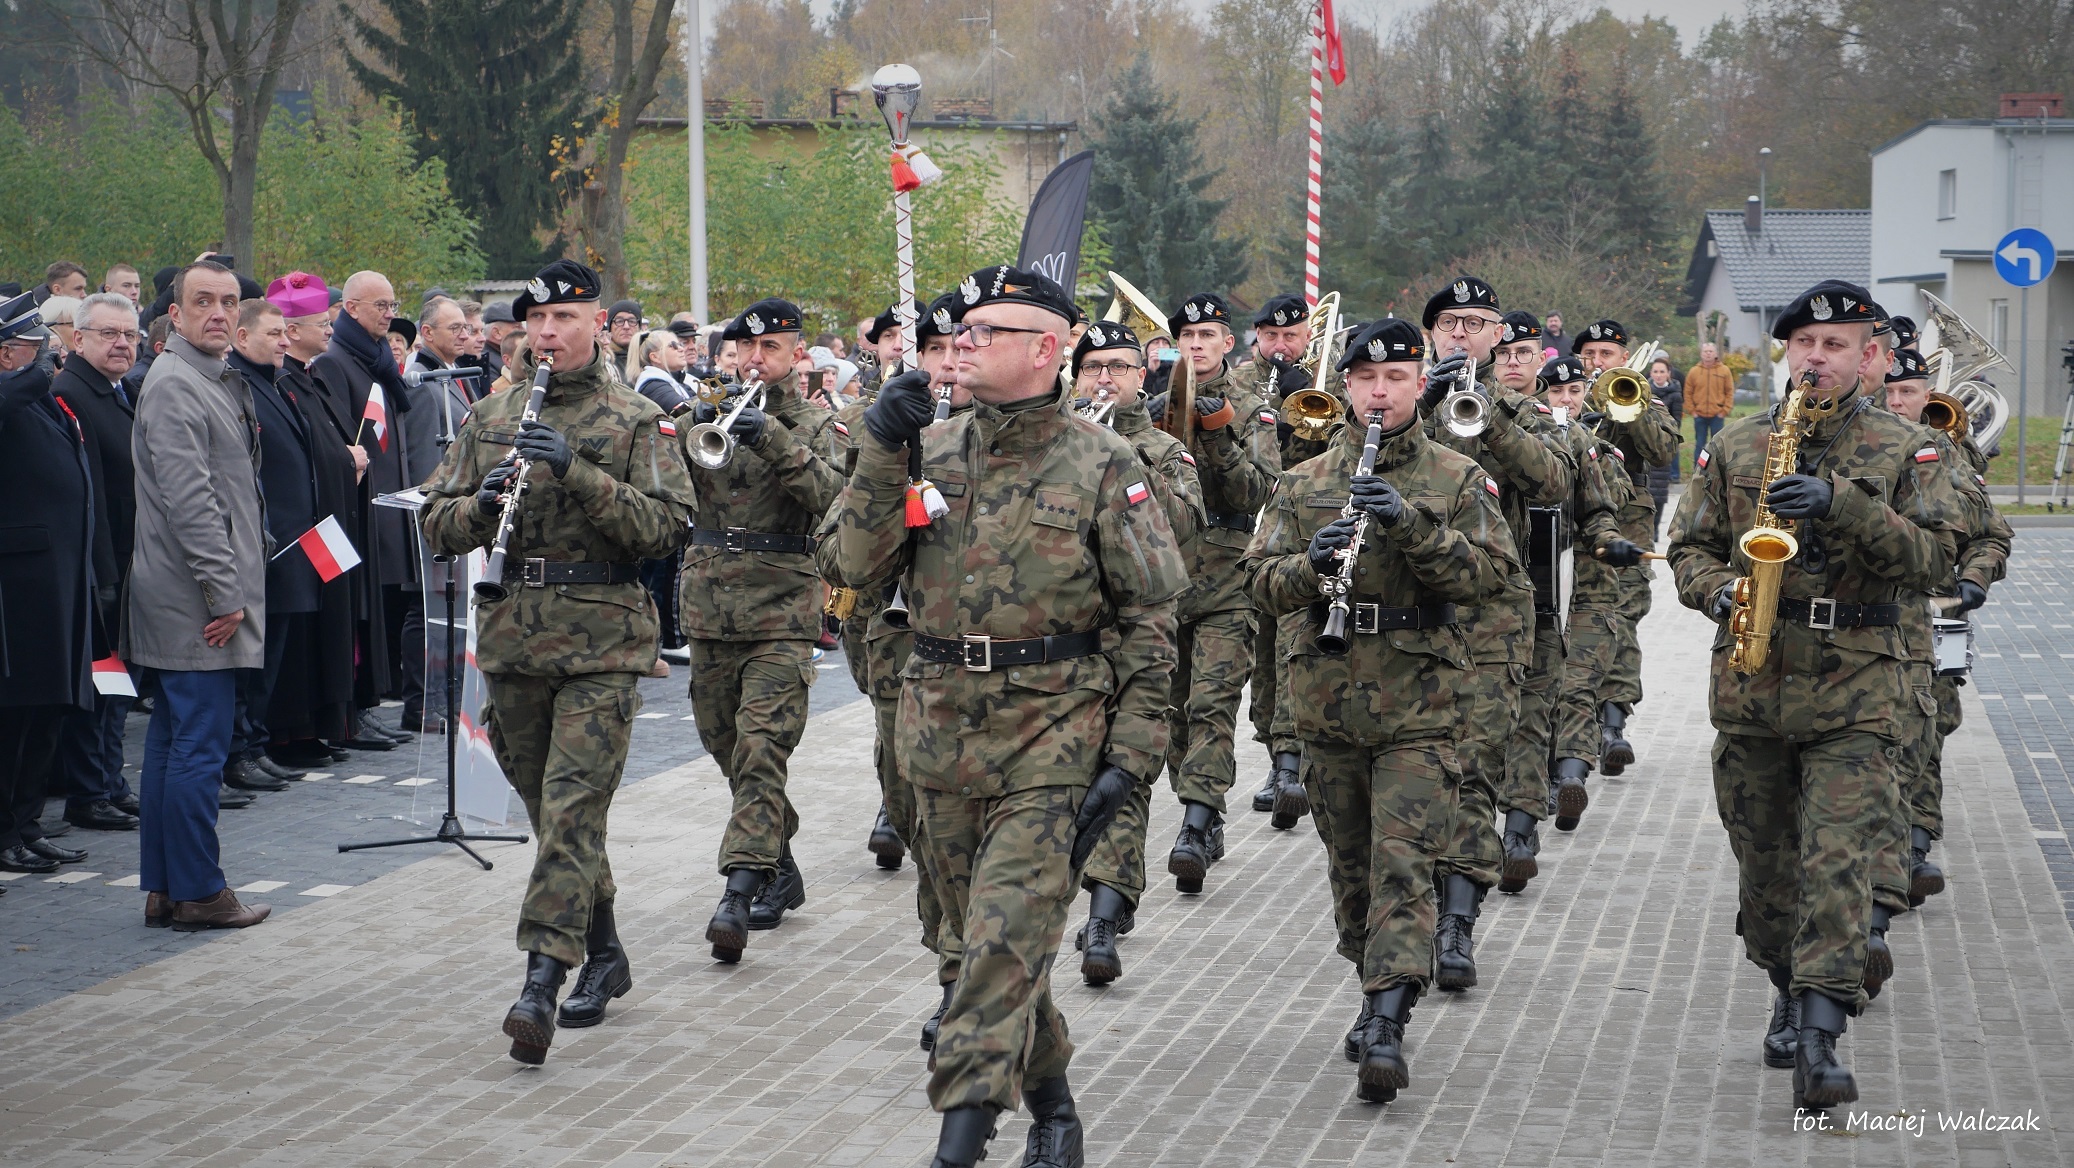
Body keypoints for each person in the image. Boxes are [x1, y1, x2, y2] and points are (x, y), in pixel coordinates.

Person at [834, 264, 1186, 1168]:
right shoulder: (927, 449)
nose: (964, 345)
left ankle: (959, 1142)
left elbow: (1150, 619)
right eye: (961, 332)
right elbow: (851, 567)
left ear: (1045, 349)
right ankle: (1054, 1107)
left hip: (1052, 738)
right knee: (974, 950)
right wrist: (881, 449)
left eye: (986, 332)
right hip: (938, 737)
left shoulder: (1104, 462)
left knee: (998, 944)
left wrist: (1133, 758)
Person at [1667, 279, 1965, 1112]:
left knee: (1837, 864)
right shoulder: (1739, 446)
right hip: (1753, 688)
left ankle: (1821, 1034)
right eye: (1805, 344)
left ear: (1870, 357)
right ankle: (1786, 985)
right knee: (1766, 871)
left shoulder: (1909, 449)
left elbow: (1940, 559)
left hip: (1860, 690)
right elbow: (1688, 548)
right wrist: (1722, 591)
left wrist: (1843, 505)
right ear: (1787, 353)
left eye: (1836, 346)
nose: (1818, 358)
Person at [420, 259, 696, 1063]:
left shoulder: (638, 418)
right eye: (536, 321)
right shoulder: (492, 413)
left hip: (602, 641)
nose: (547, 333)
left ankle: (541, 979)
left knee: (573, 810)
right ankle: (604, 952)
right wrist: (479, 505)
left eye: (565, 319)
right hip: (514, 638)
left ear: (598, 324)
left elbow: (666, 531)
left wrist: (576, 470)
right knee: (554, 815)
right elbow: (435, 519)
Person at [1244, 315, 1524, 1105]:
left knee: (1404, 862)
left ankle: (1387, 1019)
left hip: (1422, 707)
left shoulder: (1457, 478)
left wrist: (1409, 526)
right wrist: (1310, 565)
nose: (1379, 392)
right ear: (1345, 387)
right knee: (1353, 870)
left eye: (1395, 378)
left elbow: (1490, 578)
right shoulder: (1302, 482)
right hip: (1327, 704)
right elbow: (1257, 583)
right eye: (1366, 379)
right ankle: (1374, 982)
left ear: (1418, 386)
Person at [814, 292, 964, 1043]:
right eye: (933, 353)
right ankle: (954, 963)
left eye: (960, 351)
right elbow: (836, 551)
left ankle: (967, 986)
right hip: (904, 656)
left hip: (1012, 680)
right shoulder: (886, 429)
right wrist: (885, 451)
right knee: (923, 825)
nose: (948, 367)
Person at [1417, 281, 1573, 981]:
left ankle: (1457, 920)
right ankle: (1411, 908)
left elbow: (1555, 483)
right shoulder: (1395, 397)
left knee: (1475, 766)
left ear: (1496, 337)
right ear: (1431, 333)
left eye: (1476, 323)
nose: (1461, 334)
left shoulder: (1525, 410)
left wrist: (1491, 415)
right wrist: (1423, 406)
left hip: (1492, 613)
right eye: (1450, 322)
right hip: (1411, 611)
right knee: (1415, 771)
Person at [681, 297, 844, 959]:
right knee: (726, 746)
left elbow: (837, 501)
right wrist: (688, 431)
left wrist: (773, 440)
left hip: (782, 610)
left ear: (797, 355)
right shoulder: (706, 413)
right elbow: (664, 494)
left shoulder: (820, 424)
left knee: (761, 749)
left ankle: (739, 890)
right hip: (710, 608)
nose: (755, 359)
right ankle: (779, 861)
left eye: (770, 348)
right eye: (745, 348)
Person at [125, 260, 273, 931]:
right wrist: (225, 594)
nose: (219, 312)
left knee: (173, 740)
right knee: (199, 747)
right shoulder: (177, 383)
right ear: (175, 315)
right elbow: (192, 504)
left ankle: (167, 887)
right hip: (196, 598)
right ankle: (199, 891)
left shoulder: (204, 376)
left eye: (229, 301)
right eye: (203, 301)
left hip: (191, 592)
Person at [1067, 318, 1204, 987]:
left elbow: (1184, 528)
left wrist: (1126, 458)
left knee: (1124, 773)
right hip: (1062, 638)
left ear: (1141, 375)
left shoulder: (1166, 450)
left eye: (1118, 367)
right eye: (1093, 368)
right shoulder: (1051, 443)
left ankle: (1104, 913)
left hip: (1134, 634)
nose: (1105, 379)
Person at [1153, 291, 1280, 896]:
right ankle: (1201, 808)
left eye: (1208, 335)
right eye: (1187, 336)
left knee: (1212, 702)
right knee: (1174, 710)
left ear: (1229, 343)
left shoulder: (1252, 408)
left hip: (1228, 578)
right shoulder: (1153, 404)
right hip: (1164, 578)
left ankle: (1196, 820)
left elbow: (1258, 493)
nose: (1197, 345)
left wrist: (1219, 435)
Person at [1877, 347, 2009, 916]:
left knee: (1929, 730)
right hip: (1874, 625)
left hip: (1939, 617)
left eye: (1907, 392)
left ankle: (1914, 847)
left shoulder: (1947, 456)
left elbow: (1990, 534)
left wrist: (1975, 578)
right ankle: (1897, 855)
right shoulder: (1857, 449)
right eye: (1888, 392)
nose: (1896, 402)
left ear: (1926, 396)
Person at [0, 292, 100, 877]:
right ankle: (5, 830)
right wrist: (36, 374)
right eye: (36, 348)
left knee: (47, 711)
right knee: (16, 715)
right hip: (21, 586)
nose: (49, 358)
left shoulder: (39, 398)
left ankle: (27, 822)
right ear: (7, 353)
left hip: (60, 578)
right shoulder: (12, 395)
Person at [1570, 319, 1681, 792]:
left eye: (1607, 354)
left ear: (1624, 358)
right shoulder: (1561, 395)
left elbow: (1662, 454)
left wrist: (1628, 407)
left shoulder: (1643, 399)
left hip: (1627, 521)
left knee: (1622, 617)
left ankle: (1613, 723)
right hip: (1574, 524)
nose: (1597, 362)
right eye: (1590, 354)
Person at [50, 293, 147, 830]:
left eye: (129, 335)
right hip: (103, 569)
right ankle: (89, 791)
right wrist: (103, 576)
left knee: (118, 690)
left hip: (131, 563)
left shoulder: (116, 391)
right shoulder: (71, 394)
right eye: (109, 333)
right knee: (100, 687)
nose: (121, 344)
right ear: (78, 338)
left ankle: (111, 782)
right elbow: (89, 499)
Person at [310, 271, 414, 753]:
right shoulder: (335, 363)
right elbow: (340, 436)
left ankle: (366, 706)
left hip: (381, 502)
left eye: (393, 305)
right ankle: (352, 712)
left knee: (374, 611)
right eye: (381, 306)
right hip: (354, 507)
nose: (390, 314)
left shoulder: (374, 360)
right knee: (357, 614)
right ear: (350, 308)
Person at [224, 299, 323, 792]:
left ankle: (255, 744)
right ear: (241, 338)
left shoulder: (274, 382)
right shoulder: (236, 384)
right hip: (262, 546)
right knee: (249, 664)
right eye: (273, 333)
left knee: (270, 659)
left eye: (286, 332)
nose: (285, 340)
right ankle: (238, 751)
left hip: (291, 544)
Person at [1236, 292, 1325, 821]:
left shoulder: (1324, 383)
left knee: (1294, 649)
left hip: (1306, 535)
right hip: (1254, 536)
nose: (1279, 346)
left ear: (1307, 337)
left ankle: (1291, 765)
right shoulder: (1241, 383)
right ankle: (1276, 754)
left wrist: (1304, 403)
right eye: (1270, 336)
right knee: (1263, 658)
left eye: (1290, 336)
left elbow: (1339, 446)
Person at [266, 273, 360, 762]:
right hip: (301, 529)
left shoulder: (310, 375)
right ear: (291, 330)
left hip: (328, 522)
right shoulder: (281, 381)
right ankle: (291, 733)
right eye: (320, 323)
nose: (329, 329)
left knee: (325, 627)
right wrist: (346, 459)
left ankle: (319, 725)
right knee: (301, 637)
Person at [1685, 341, 1735, 466]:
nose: (1708, 354)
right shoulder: (1694, 371)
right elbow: (1687, 392)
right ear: (1701, 354)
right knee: (1700, 444)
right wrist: (1692, 411)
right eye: (1705, 351)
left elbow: (1729, 392)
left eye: (1710, 351)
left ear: (1715, 354)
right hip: (1699, 416)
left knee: (1717, 445)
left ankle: (1716, 470)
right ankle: (1698, 470)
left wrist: (1724, 411)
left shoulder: (1724, 371)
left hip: (1717, 415)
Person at [606, 299, 642, 365]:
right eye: (619, 321)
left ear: (639, 327)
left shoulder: (649, 360)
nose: (626, 326)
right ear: (610, 328)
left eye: (632, 321)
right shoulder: (602, 361)